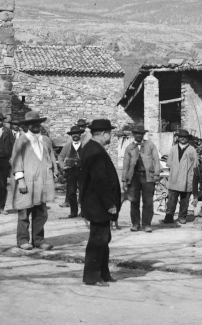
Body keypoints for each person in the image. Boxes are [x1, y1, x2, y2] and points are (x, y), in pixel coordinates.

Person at [79, 118, 122, 286]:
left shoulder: (91, 148)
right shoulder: (95, 151)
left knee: (104, 239)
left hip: (96, 204)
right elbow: (100, 181)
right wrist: (110, 204)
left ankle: (103, 273)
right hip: (98, 205)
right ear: (103, 134)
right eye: (109, 133)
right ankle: (92, 276)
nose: (110, 136)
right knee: (97, 241)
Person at [11, 110, 60, 251]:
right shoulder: (22, 140)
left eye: (37, 123)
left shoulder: (45, 140)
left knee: (41, 213)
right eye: (32, 123)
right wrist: (20, 180)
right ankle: (23, 240)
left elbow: (51, 157)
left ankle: (38, 240)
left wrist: (55, 172)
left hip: (42, 183)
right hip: (27, 182)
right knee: (24, 213)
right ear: (27, 125)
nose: (35, 126)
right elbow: (16, 160)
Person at [122, 124, 161, 232]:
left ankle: (146, 224)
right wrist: (124, 180)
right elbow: (125, 165)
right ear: (133, 134)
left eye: (140, 134)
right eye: (136, 134)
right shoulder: (129, 148)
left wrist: (157, 174)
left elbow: (156, 160)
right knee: (134, 201)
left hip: (148, 177)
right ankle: (135, 224)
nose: (138, 136)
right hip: (133, 177)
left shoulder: (150, 145)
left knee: (148, 201)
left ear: (143, 134)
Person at [159, 129, 197, 225]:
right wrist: (176, 170)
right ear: (178, 138)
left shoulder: (192, 150)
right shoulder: (173, 148)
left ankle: (182, 217)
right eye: (181, 137)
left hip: (187, 178)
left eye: (184, 137)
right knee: (172, 198)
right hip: (174, 177)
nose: (182, 138)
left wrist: (189, 174)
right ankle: (169, 216)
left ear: (188, 138)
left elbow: (195, 165)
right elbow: (169, 163)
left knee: (185, 199)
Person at [57, 125, 85, 218]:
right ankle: (73, 211)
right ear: (71, 135)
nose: (75, 135)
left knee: (83, 190)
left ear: (80, 134)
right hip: (71, 170)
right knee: (71, 191)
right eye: (73, 134)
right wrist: (63, 166)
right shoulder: (67, 145)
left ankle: (84, 211)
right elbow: (60, 157)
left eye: (77, 133)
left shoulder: (85, 145)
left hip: (82, 170)